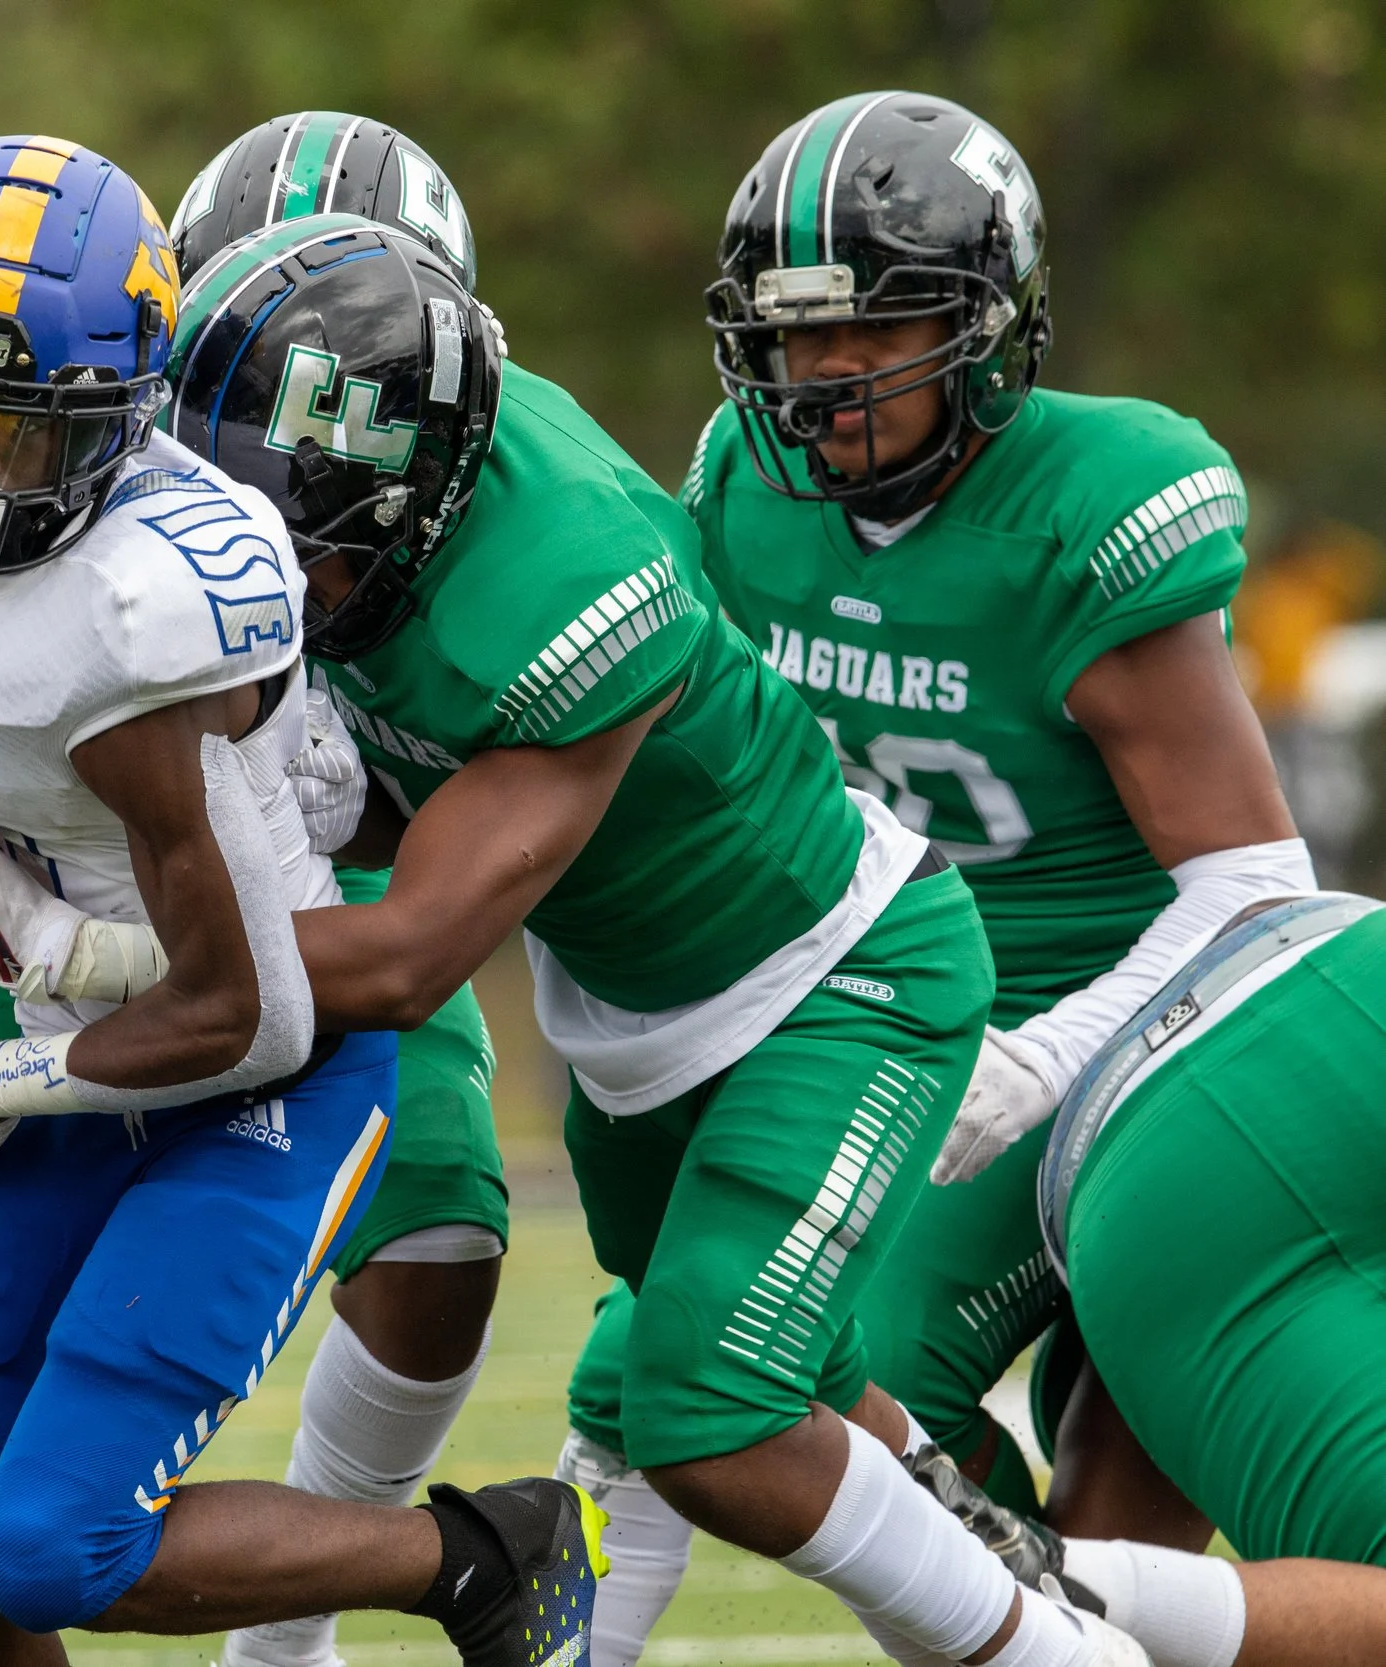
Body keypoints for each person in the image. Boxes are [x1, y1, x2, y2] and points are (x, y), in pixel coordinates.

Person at [0, 191, 1166, 1663]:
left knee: (712, 1404)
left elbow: (405, 956)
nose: (256, 601)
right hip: (635, 1023)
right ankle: (987, 1534)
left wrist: (77, 948)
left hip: (832, 983)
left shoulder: (566, 578)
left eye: (294, 556)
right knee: (754, 1376)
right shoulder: (348, 487)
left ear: (409, 505)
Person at [0, 112, 516, 1667]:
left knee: (57, 1535)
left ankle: (470, 1561)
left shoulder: (147, 607)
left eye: (21, 430)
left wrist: (12, 1055)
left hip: (225, 1024)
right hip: (40, 994)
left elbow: (250, 1003)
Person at [553, 92, 1304, 1665]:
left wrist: (1039, 1061)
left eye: (880, 323)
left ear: (992, 321)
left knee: (753, 1359)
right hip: (877, 1013)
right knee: (652, 1362)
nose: (828, 374)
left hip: (1119, 1044)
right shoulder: (741, 487)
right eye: (793, 333)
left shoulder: (1092, 506)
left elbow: (1256, 887)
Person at [909, 891, 1386, 1667]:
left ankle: (1045, 1582)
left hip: (1322, 969)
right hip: (1148, 1162)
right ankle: (1040, 1583)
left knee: (1097, 1617)